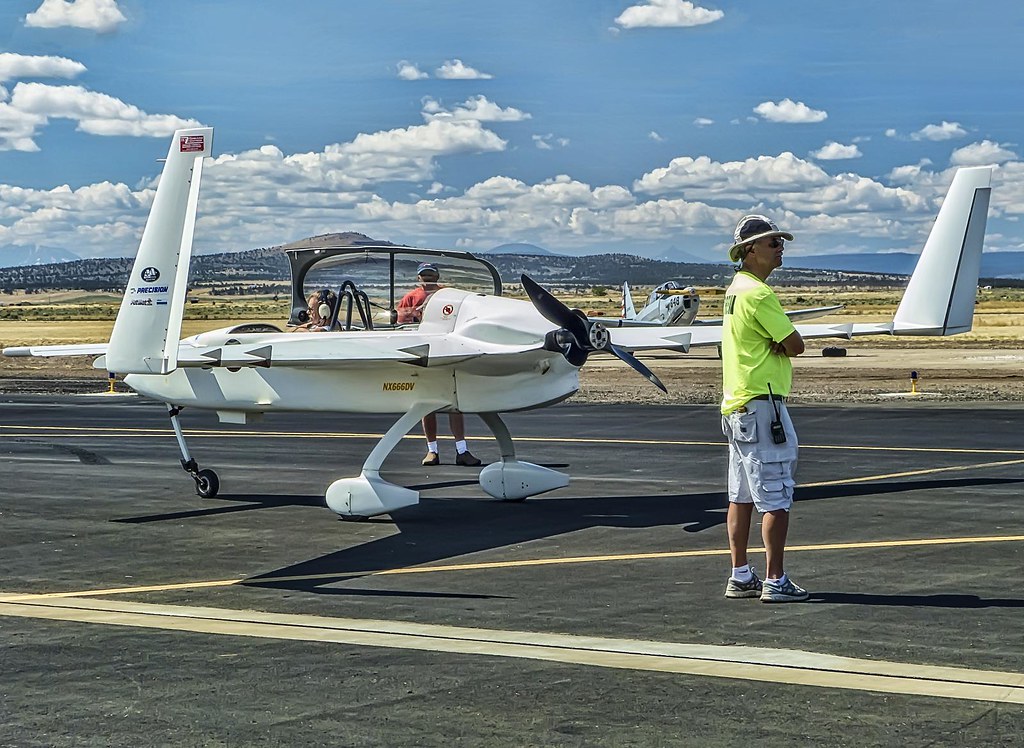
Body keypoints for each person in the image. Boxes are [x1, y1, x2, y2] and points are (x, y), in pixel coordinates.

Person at [720, 214, 808, 603]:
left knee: (740, 495)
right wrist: (781, 345)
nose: (780, 248)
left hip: (736, 406)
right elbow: (795, 344)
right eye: (773, 243)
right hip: (762, 405)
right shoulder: (759, 293)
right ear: (750, 250)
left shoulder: (735, 290)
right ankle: (775, 578)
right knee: (776, 496)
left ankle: (741, 573)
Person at [397, 262, 482, 467]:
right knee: (427, 405)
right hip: (423, 354)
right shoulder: (411, 297)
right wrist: (413, 313)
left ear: (437, 276)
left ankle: (462, 450)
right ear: (419, 278)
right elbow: (400, 319)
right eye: (424, 275)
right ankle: (432, 450)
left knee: (455, 404)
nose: (427, 279)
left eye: (430, 275)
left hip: (447, 353)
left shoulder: (448, 295)